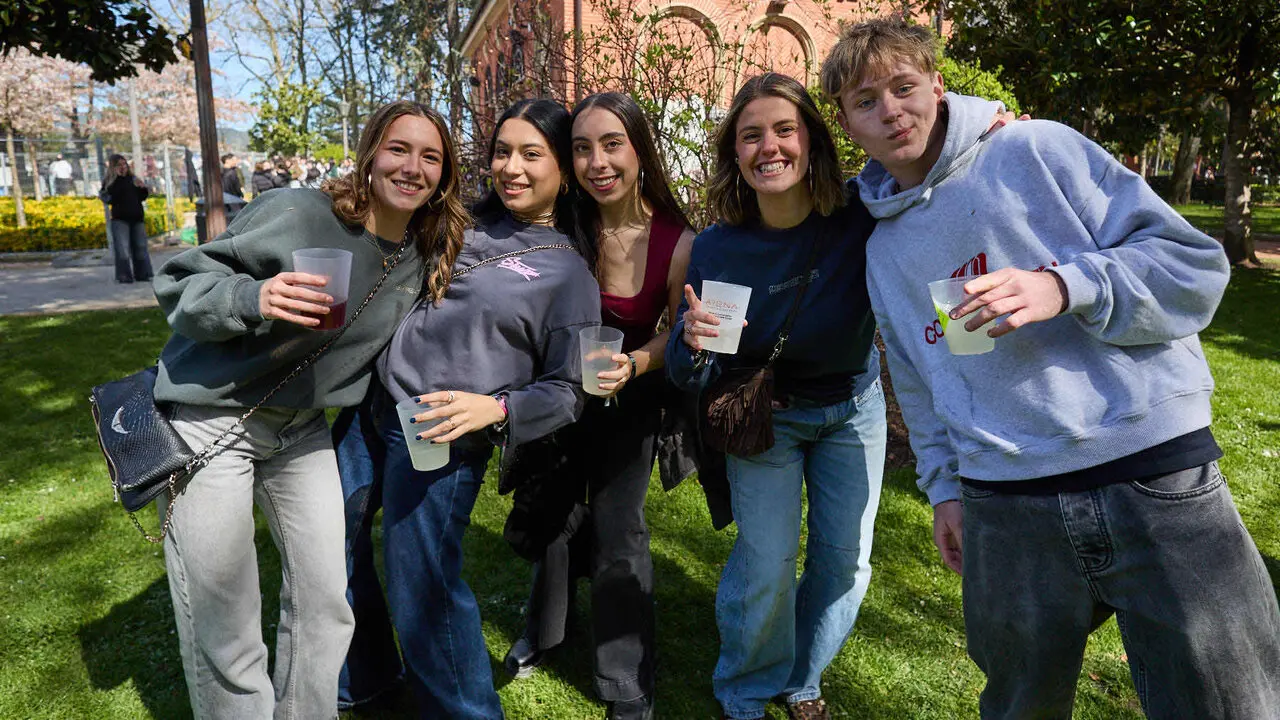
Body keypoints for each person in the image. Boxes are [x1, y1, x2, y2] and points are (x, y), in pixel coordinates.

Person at [822, 18, 1280, 719]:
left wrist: (1065, 286)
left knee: (1228, 703)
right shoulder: (885, 248)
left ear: (938, 87)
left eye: (904, 87)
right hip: (1005, 505)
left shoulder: (1037, 149)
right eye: (865, 100)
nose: (891, 110)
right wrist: (944, 488)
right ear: (847, 123)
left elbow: (1193, 268)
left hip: (1152, 474)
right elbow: (921, 378)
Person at [149, 100, 468, 720]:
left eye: (430, 157)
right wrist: (254, 296)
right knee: (225, 617)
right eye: (399, 149)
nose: (412, 167)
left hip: (300, 429)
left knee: (327, 601)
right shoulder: (298, 213)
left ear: (444, 175)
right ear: (371, 153)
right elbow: (179, 283)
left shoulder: (423, 254)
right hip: (212, 418)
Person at [338, 98, 601, 720]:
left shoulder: (569, 276)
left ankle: (466, 711)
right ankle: (368, 678)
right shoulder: (461, 219)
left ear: (564, 171)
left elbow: (572, 389)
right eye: (502, 152)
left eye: (531, 154)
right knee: (332, 545)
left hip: (439, 432)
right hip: (370, 405)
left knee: (422, 584)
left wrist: (498, 409)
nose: (511, 167)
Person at [665, 73, 887, 720]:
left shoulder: (859, 216)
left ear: (812, 139)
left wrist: (989, 134)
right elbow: (688, 369)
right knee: (767, 563)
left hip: (853, 407)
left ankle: (802, 677)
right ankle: (745, 689)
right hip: (769, 419)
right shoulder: (720, 247)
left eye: (785, 130)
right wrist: (692, 341)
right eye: (751, 135)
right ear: (735, 153)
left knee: (846, 562)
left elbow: (931, 176)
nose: (770, 147)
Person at [500, 92, 695, 720]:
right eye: (582, 148)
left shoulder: (677, 239)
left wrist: (634, 363)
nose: (597, 162)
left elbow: (678, 330)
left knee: (619, 530)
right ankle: (545, 628)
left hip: (628, 397)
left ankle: (624, 678)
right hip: (555, 389)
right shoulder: (561, 224)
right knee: (552, 512)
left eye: (612, 144)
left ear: (640, 149)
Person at [99, 154, 155, 284]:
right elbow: (111, 199)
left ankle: (143, 273)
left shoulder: (133, 179)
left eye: (124, 164)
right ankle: (124, 275)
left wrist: (142, 188)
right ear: (113, 167)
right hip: (120, 218)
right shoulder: (110, 182)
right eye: (119, 165)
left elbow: (142, 197)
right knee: (122, 249)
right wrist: (119, 179)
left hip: (137, 216)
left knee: (140, 247)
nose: (123, 167)